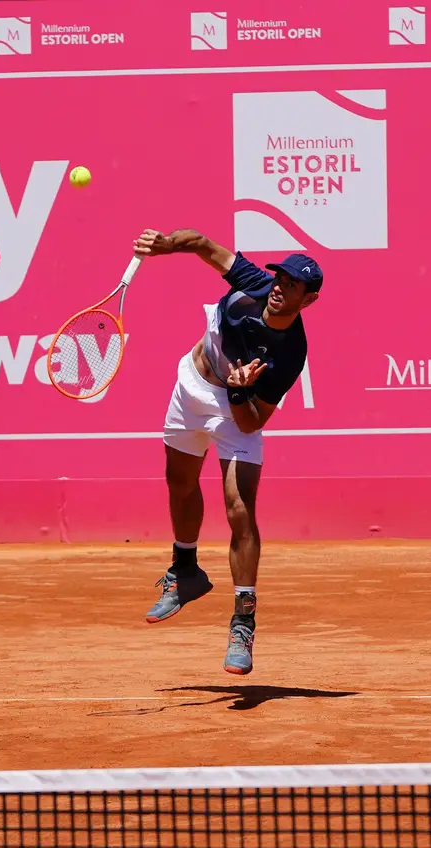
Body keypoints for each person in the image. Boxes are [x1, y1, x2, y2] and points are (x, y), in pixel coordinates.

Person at [129, 228, 321, 676]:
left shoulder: (290, 352)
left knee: (239, 508)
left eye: (292, 286)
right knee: (179, 483)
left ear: (307, 300)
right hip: (190, 388)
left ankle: (243, 619)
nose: (279, 289)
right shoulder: (254, 284)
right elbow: (202, 244)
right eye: (280, 279)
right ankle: (186, 571)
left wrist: (238, 394)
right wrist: (166, 245)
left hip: (237, 410)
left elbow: (253, 422)